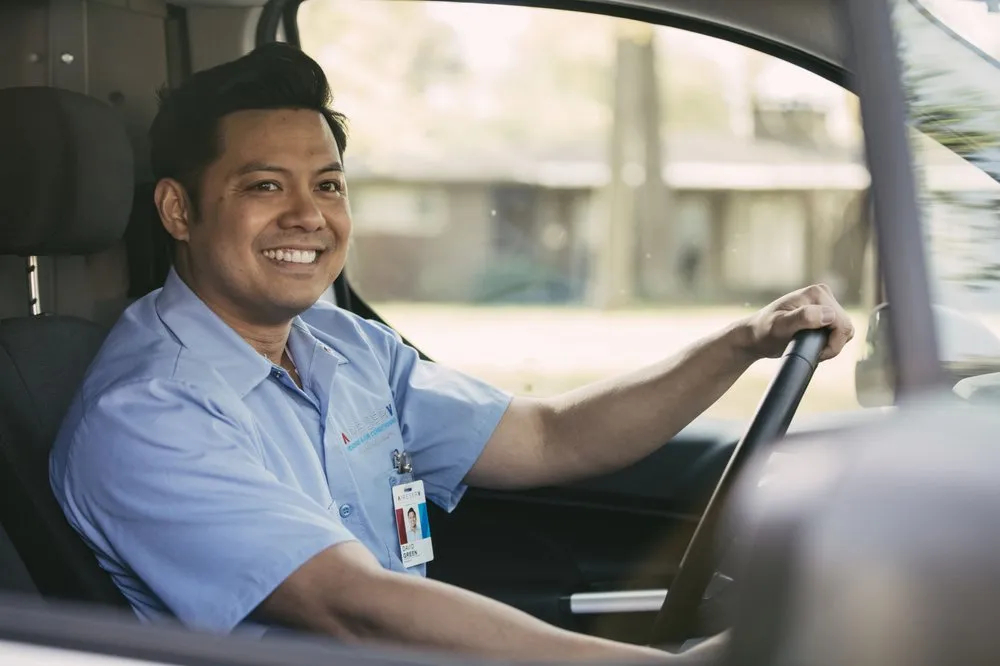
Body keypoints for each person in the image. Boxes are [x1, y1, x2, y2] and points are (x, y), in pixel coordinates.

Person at [48, 43, 854, 663]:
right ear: (178, 210)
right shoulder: (147, 412)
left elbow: (549, 436)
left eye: (327, 185)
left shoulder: (343, 344)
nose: (308, 216)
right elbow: (351, 607)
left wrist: (743, 342)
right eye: (265, 186)